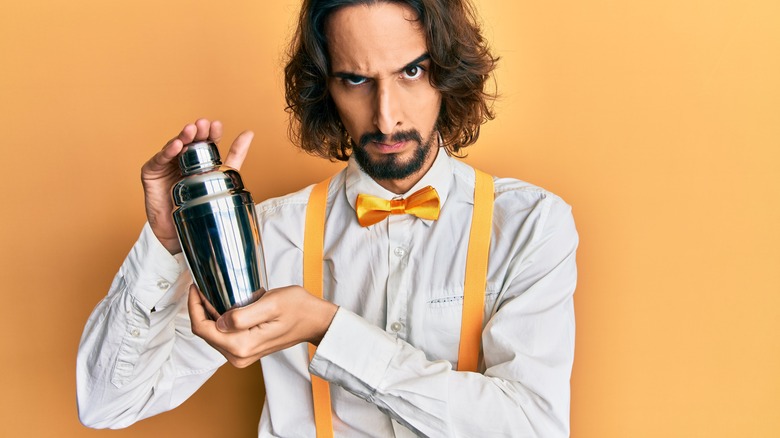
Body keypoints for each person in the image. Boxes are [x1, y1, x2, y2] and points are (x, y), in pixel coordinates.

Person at [77, 0, 579, 436]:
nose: (386, 117)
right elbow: (108, 404)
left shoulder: (530, 224)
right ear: (326, 88)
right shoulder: (271, 234)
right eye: (356, 79)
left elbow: (531, 426)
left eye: (411, 72)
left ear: (447, 71)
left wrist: (327, 328)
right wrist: (166, 244)